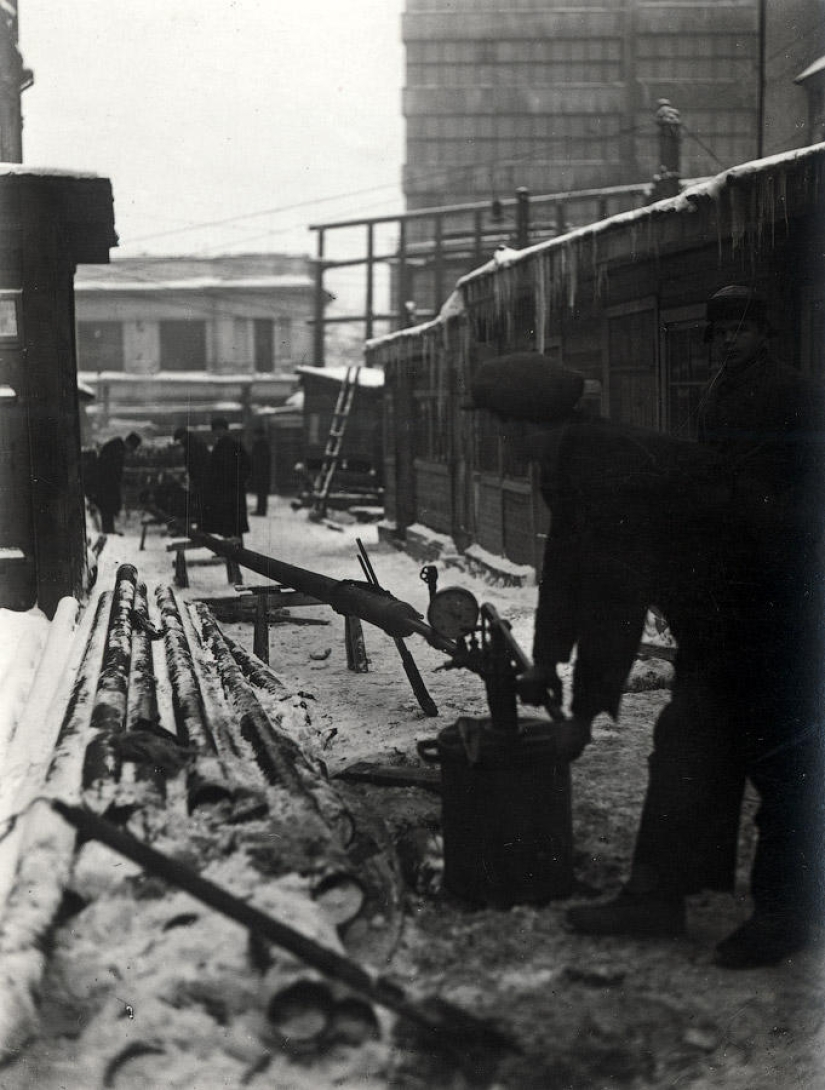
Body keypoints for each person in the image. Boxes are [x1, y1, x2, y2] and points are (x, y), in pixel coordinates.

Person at [521, 286, 825, 968]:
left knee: (784, 764)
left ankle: (785, 914)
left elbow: (612, 601)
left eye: (739, 329)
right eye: (717, 332)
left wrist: (582, 709)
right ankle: (655, 897)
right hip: (721, 604)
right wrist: (547, 660)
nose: (726, 341)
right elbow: (568, 564)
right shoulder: (585, 457)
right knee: (686, 743)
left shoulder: (786, 392)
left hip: (775, 599)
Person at [202, 417, 251, 541]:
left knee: (232, 524)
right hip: (224, 491)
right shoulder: (221, 446)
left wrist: (238, 480)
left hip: (232, 490)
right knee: (228, 524)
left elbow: (246, 465)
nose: (218, 432)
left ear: (225, 429)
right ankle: (229, 553)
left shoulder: (233, 445)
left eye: (220, 429)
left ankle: (235, 554)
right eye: (216, 430)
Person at [93, 431, 142, 533]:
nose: (131, 452)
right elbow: (111, 470)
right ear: (129, 444)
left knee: (108, 507)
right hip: (104, 483)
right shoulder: (117, 450)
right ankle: (108, 531)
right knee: (107, 507)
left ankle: (109, 530)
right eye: (132, 449)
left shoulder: (116, 447)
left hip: (105, 482)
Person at [173, 426, 210, 527]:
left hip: (201, 477)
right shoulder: (194, 442)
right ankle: (201, 526)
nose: (179, 442)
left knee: (200, 501)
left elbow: (196, 464)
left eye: (179, 439)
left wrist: (194, 480)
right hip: (201, 477)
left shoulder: (193, 445)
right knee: (199, 501)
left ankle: (202, 527)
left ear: (183, 436)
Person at [250, 424, 272, 517]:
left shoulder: (260, 444)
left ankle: (261, 510)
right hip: (264, 472)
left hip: (261, 472)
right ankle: (261, 509)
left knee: (261, 492)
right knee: (262, 492)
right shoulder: (265, 444)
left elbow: (256, 458)